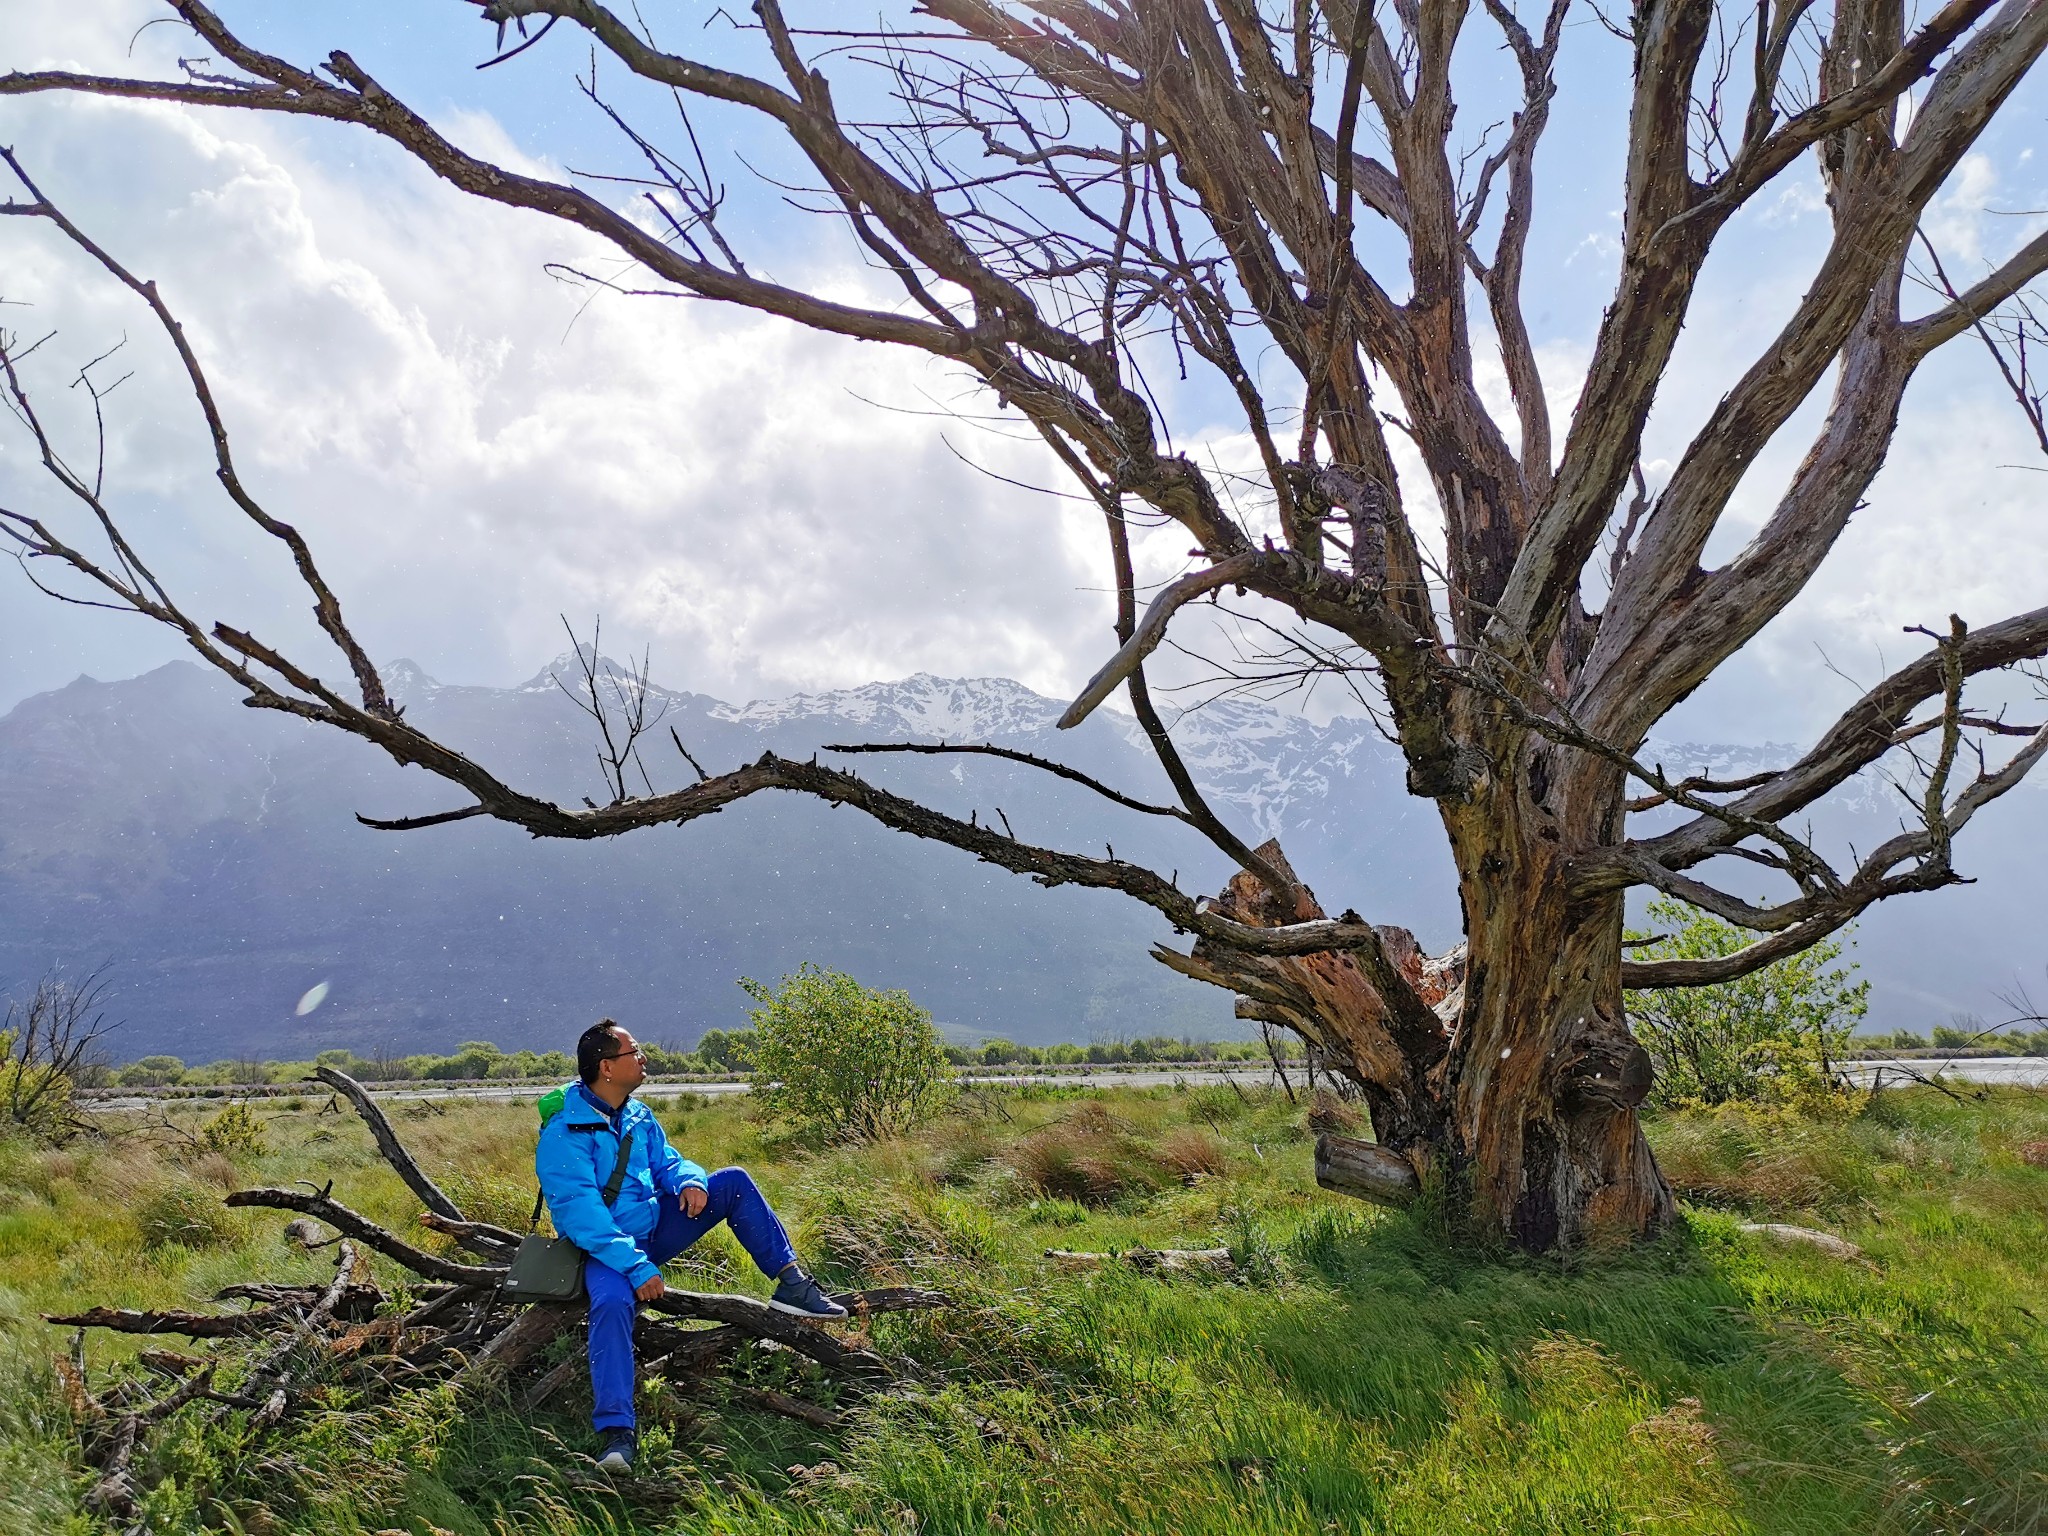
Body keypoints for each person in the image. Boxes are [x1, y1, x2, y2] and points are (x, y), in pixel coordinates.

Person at [536, 1019, 846, 1472]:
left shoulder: (637, 1115)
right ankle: (617, 1436)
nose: (643, 1058)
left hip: (656, 1227)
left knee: (733, 1182)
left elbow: (669, 1162)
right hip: (604, 1249)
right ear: (606, 1066)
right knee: (609, 1304)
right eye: (633, 1052)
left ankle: (792, 1285)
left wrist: (690, 1181)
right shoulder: (565, 1134)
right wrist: (638, 1267)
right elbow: (584, 1218)